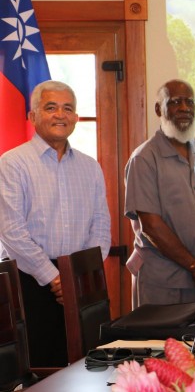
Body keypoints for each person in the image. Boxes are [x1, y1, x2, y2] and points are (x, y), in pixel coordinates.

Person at [0, 80, 111, 367]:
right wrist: (56, 279)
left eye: (68, 108)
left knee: (86, 366)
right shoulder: (12, 163)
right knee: (38, 370)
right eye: (51, 107)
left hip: (81, 282)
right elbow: (11, 231)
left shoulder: (90, 167)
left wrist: (78, 278)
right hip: (30, 282)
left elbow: (101, 227)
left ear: (76, 117)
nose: (60, 115)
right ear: (33, 115)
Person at [124, 79, 195, 307]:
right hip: (165, 285)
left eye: (189, 102)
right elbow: (151, 226)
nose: (184, 108)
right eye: (175, 102)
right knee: (164, 334)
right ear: (159, 109)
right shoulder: (144, 159)